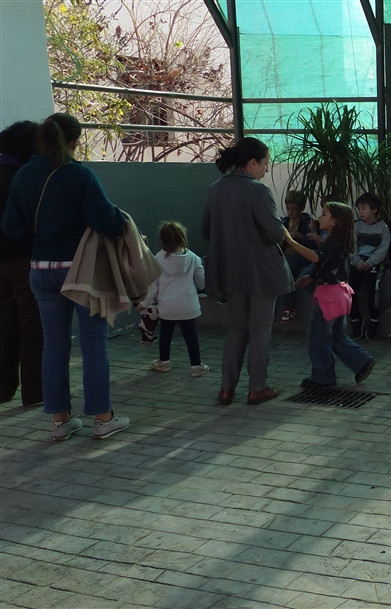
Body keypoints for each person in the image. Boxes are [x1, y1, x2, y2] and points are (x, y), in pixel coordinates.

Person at [1, 113, 129, 440]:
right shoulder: (78, 174)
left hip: (40, 271)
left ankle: (60, 421)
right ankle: (103, 418)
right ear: (73, 141)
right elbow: (107, 222)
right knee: (93, 345)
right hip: (80, 270)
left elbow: (12, 227)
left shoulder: (23, 175)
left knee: (53, 345)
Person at [202, 137, 293, 406]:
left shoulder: (215, 189)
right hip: (261, 271)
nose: (266, 169)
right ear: (252, 163)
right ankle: (257, 387)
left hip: (230, 271)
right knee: (260, 329)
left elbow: (206, 230)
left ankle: (226, 388)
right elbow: (276, 233)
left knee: (238, 327)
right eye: (265, 163)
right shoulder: (258, 191)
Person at [284, 202, 375, 388]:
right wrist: (311, 277)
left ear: (335, 221)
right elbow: (328, 265)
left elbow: (316, 257)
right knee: (335, 335)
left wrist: (291, 242)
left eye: (324, 214)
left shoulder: (334, 242)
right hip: (339, 295)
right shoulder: (338, 242)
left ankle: (322, 377)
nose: (319, 217)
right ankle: (362, 361)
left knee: (318, 337)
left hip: (329, 297)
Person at [0, 120, 42, 407]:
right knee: (32, 325)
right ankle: (35, 392)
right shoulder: (21, 177)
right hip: (20, 258)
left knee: (5, 323)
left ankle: (3, 389)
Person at [138, 221, 209, 377]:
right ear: (182, 237)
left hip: (167, 307)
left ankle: (164, 362)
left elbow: (153, 287)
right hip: (188, 306)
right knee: (191, 336)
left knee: (165, 334)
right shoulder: (193, 258)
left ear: (163, 240)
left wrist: (144, 303)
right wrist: (200, 287)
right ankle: (196, 366)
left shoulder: (158, 259)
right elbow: (201, 281)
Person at [348, 192, 390, 340]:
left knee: (372, 288)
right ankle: (355, 320)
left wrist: (370, 262)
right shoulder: (356, 226)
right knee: (350, 288)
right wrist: (357, 262)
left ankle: (373, 320)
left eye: (363, 208)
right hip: (358, 262)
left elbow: (383, 249)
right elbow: (351, 246)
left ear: (374, 209)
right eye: (359, 208)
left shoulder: (383, 228)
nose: (360, 212)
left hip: (373, 262)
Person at [279, 190, 314, 324]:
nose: (290, 212)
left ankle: (289, 306)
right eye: (288, 209)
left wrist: (299, 236)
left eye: (294, 209)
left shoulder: (307, 222)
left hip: (299, 254)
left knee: (287, 269)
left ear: (301, 208)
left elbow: (311, 244)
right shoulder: (284, 222)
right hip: (285, 253)